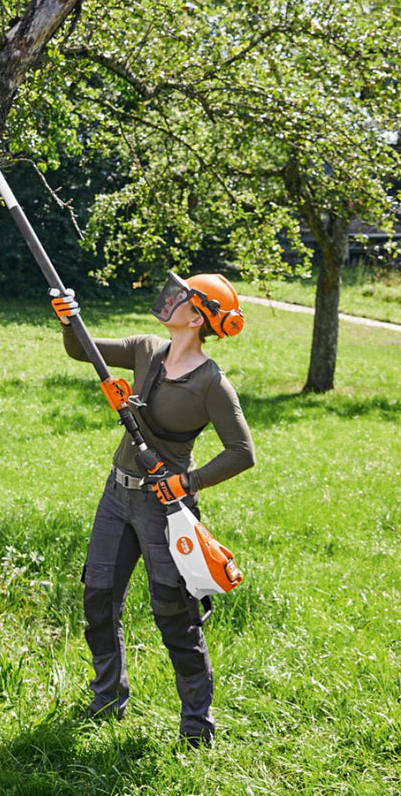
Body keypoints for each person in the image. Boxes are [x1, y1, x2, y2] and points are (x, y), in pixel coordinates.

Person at [50, 272, 255, 747]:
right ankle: (107, 697)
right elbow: (85, 349)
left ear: (200, 316)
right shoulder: (147, 350)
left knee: (174, 615)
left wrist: (188, 481)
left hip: (166, 510)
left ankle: (196, 727)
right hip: (117, 495)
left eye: (185, 296)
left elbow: (242, 451)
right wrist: (68, 320)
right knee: (98, 598)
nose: (173, 298)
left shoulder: (211, 383)